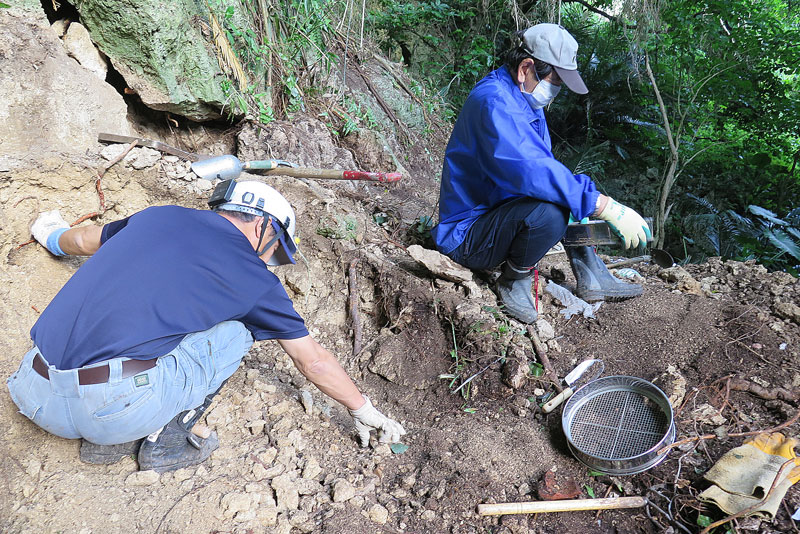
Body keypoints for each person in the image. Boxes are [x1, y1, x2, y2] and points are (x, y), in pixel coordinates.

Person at [7, 179, 405, 472]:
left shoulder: (157, 217)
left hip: (31, 390)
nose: (270, 262)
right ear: (265, 226)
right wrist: (363, 408)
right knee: (239, 329)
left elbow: (86, 241)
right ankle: (166, 445)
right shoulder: (255, 279)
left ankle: (111, 444)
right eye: (275, 250)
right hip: (111, 412)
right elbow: (312, 361)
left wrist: (51, 235)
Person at [431, 23, 651, 324]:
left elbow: (546, 168)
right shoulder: (494, 102)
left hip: (497, 214)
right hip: (467, 236)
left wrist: (585, 200)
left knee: (568, 192)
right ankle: (514, 279)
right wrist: (602, 205)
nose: (556, 91)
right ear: (526, 68)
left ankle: (591, 273)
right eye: (556, 80)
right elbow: (530, 170)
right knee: (551, 211)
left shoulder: (524, 101)